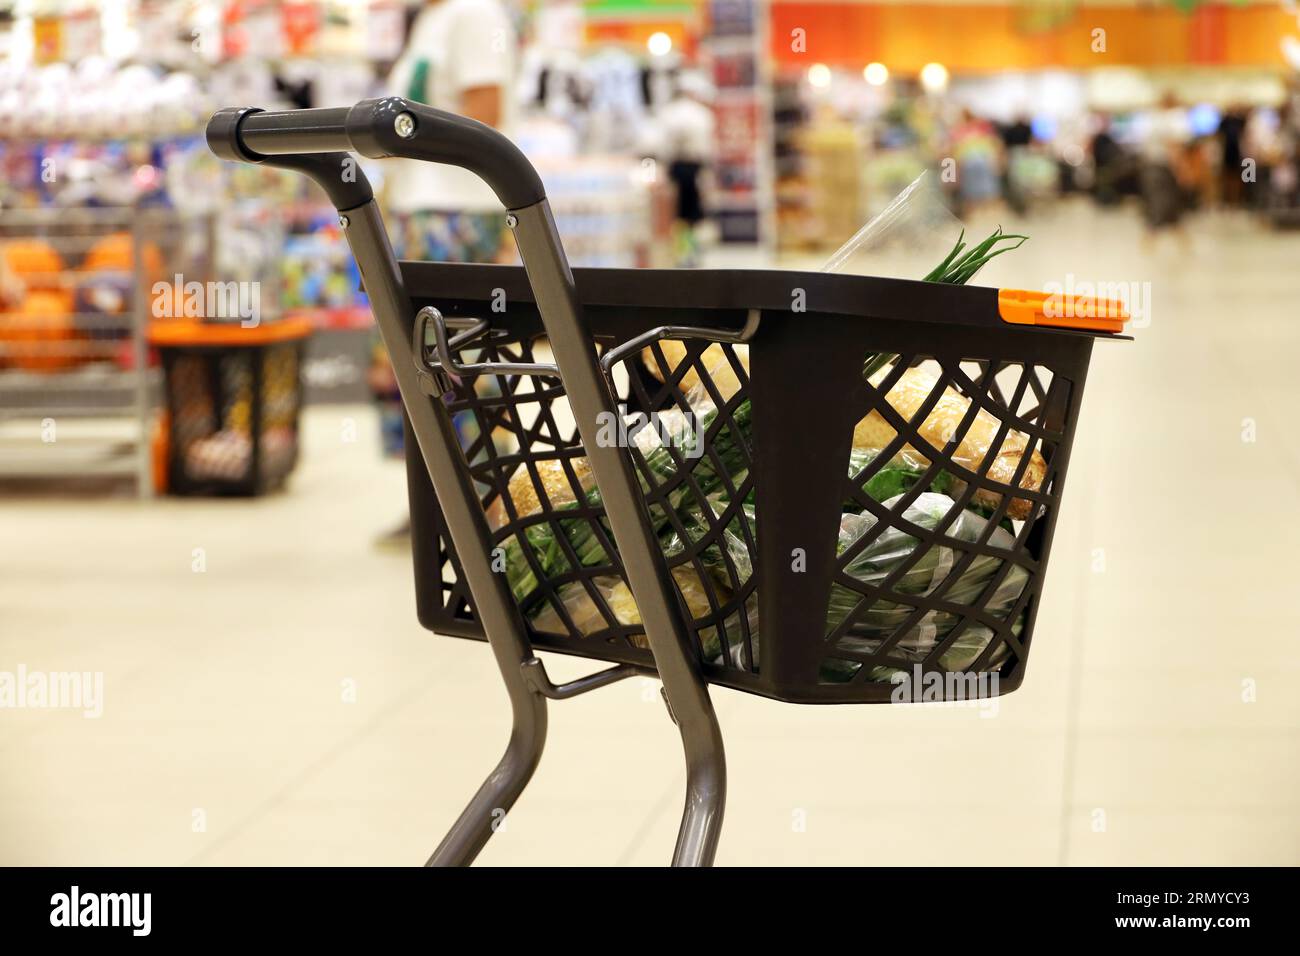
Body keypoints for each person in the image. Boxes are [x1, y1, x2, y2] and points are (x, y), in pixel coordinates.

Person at [368, 0, 517, 548]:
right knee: (412, 368)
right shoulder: (430, 21)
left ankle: (483, 504)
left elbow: (484, 119)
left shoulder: (474, 14)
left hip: (456, 217)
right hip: (419, 213)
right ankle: (438, 501)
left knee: (460, 368)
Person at [657, 70, 716, 267]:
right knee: (692, 213)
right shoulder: (701, 114)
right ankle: (690, 251)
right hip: (693, 167)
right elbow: (706, 148)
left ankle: (682, 251)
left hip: (676, 167)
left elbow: (663, 146)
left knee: (677, 213)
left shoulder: (668, 113)